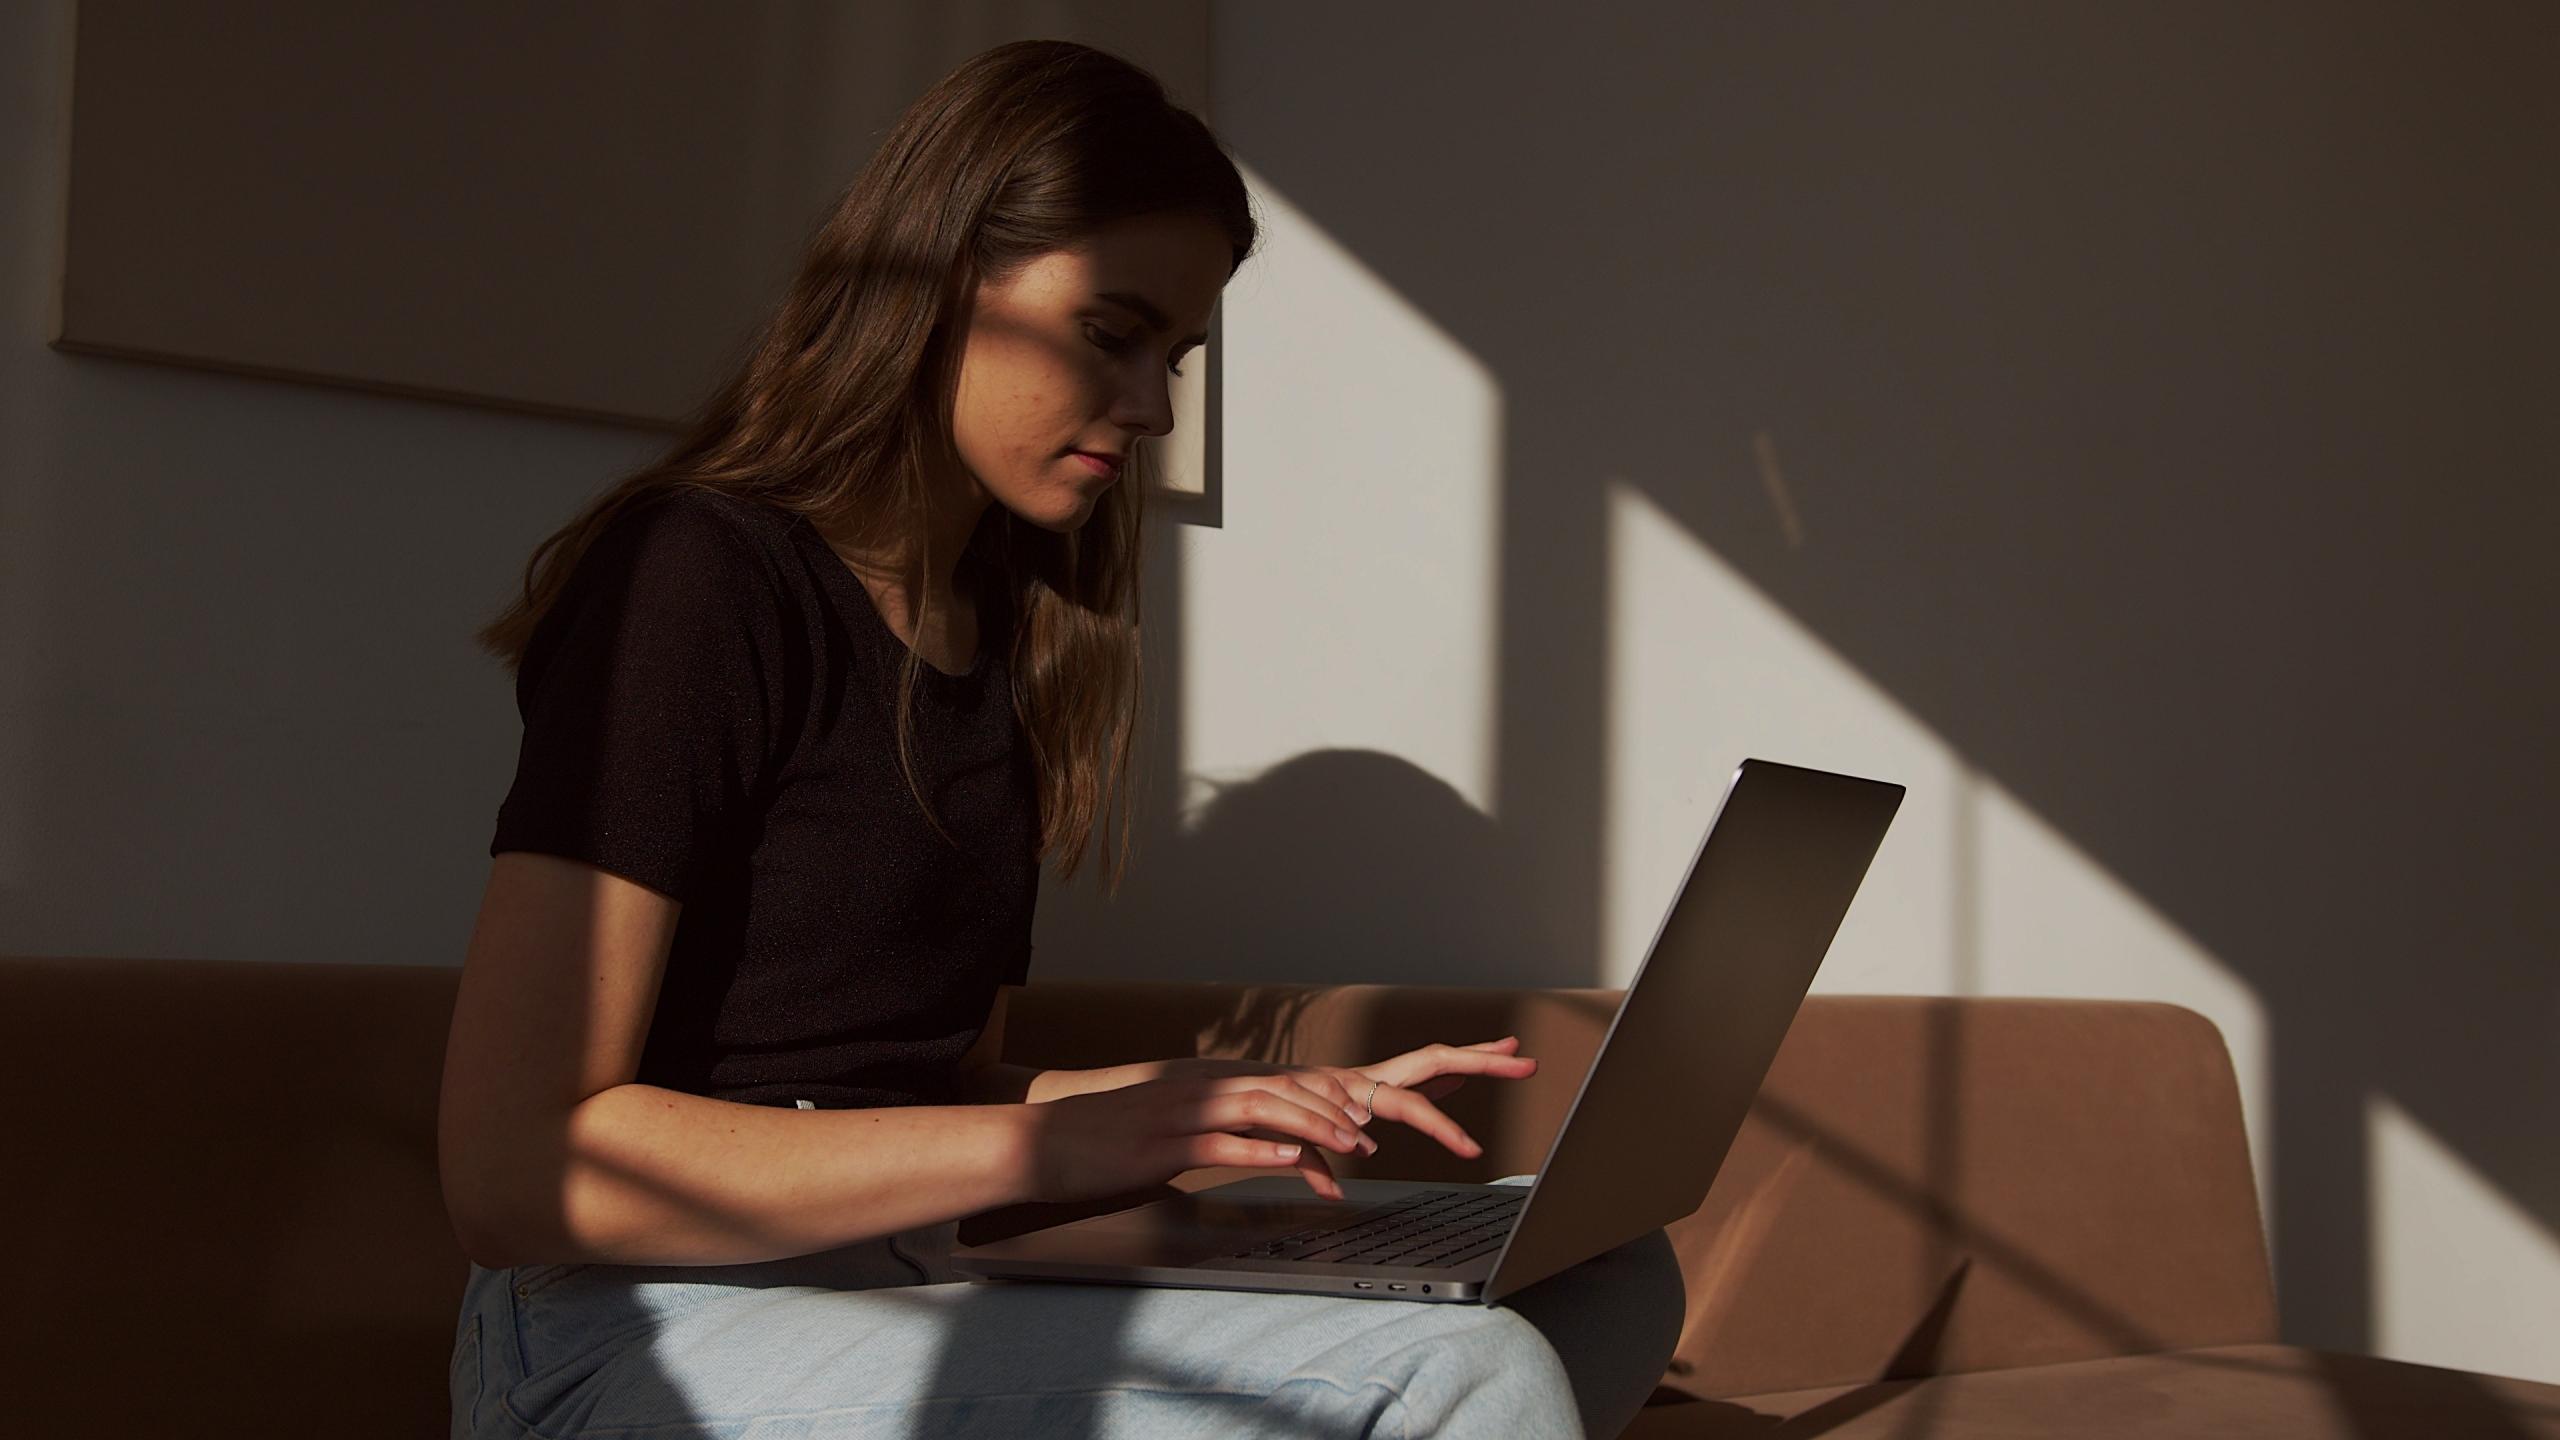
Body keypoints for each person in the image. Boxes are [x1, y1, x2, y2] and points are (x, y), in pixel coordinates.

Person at [439, 38, 1684, 1440]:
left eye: (1179, 354)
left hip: (913, 1276)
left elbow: (922, 1092)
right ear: (936, 280)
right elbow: (510, 1169)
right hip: (634, 1331)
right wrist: (1063, 1134)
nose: (1154, 407)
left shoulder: (1005, 631)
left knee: (1592, 1270)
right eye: (1113, 333)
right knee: (1471, 1373)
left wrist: (1208, 1104)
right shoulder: (696, 578)